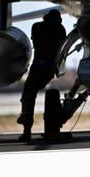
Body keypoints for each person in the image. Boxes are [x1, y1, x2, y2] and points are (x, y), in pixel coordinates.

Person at [17, 9, 66, 141]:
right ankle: (26, 123)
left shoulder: (38, 27)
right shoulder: (60, 30)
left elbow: (37, 44)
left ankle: (26, 128)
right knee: (29, 94)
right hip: (48, 69)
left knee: (28, 95)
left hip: (39, 67)